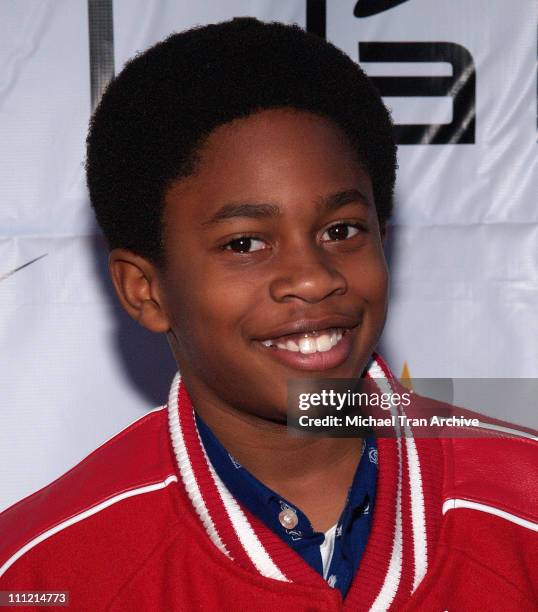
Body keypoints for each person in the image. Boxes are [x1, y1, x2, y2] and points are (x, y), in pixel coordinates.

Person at [0, 18, 536, 611]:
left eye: (341, 230)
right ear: (145, 291)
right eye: (245, 244)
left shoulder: (523, 501)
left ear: (384, 239)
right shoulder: (42, 569)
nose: (312, 277)